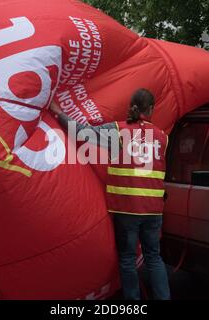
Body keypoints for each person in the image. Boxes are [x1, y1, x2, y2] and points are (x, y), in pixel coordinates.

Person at [49, 88, 171, 300]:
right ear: (151, 109)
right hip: (153, 211)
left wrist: (57, 112)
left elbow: (80, 132)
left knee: (127, 259)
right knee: (154, 258)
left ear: (130, 106)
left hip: (127, 209)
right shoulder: (162, 137)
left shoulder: (118, 132)